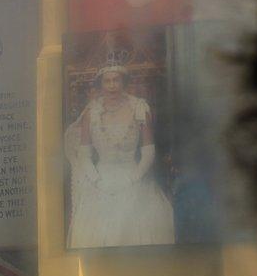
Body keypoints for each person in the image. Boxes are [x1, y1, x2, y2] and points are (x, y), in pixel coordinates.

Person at [65, 63, 175, 248]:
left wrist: (133, 178)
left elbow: (149, 151)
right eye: (107, 81)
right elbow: (84, 154)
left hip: (133, 175)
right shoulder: (91, 113)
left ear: (124, 82)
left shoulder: (139, 108)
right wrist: (96, 180)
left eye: (116, 80)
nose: (112, 85)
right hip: (100, 179)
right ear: (101, 85)